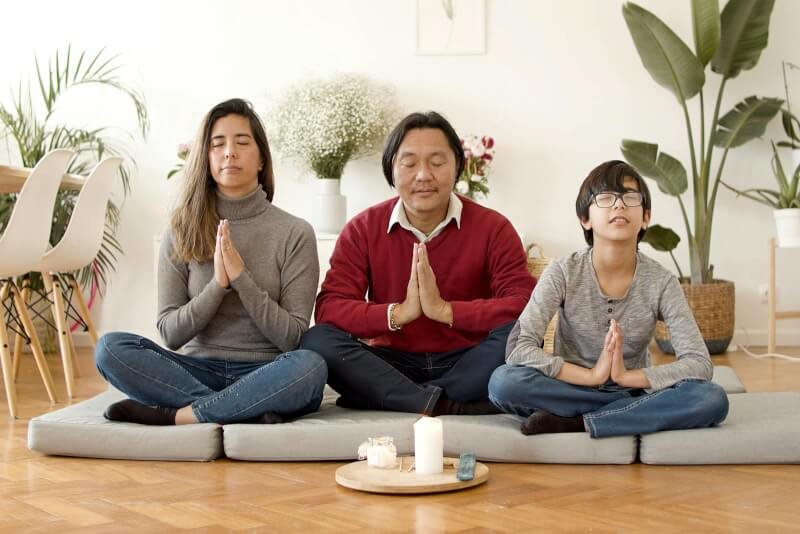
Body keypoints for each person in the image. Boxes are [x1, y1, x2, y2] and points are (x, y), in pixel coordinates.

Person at [95, 98, 326, 426]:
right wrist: (218, 285)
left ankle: (180, 415)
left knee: (311, 366)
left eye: (242, 142)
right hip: (195, 371)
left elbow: (292, 338)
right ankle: (244, 410)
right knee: (110, 348)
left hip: (267, 371)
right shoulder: (181, 231)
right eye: (217, 144)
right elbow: (170, 334)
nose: (229, 151)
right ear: (205, 158)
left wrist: (241, 279)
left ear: (261, 159)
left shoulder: (295, 232)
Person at [300, 111, 535, 416]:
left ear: (457, 167)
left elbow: (524, 304)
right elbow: (330, 308)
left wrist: (446, 311)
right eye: (409, 164)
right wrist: (398, 313)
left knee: (519, 334)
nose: (423, 175)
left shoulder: (494, 227)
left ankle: (400, 398)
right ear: (392, 170)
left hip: (468, 360)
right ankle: (448, 403)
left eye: (437, 163)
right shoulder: (363, 228)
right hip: (391, 362)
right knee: (317, 340)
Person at [488, 160, 729, 438]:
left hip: (634, 389)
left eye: (630, 197)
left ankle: (579, 422)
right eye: (605, 198)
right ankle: (626, 415)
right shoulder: (563, 272)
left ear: (646, 217)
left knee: (711, 398)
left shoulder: (661, 281)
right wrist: (591, 377)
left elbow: (699, 362)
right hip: (570, 387)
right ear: (585, 218)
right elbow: (518, 348)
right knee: (503, 382)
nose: (619, 205)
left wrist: (627, 377)